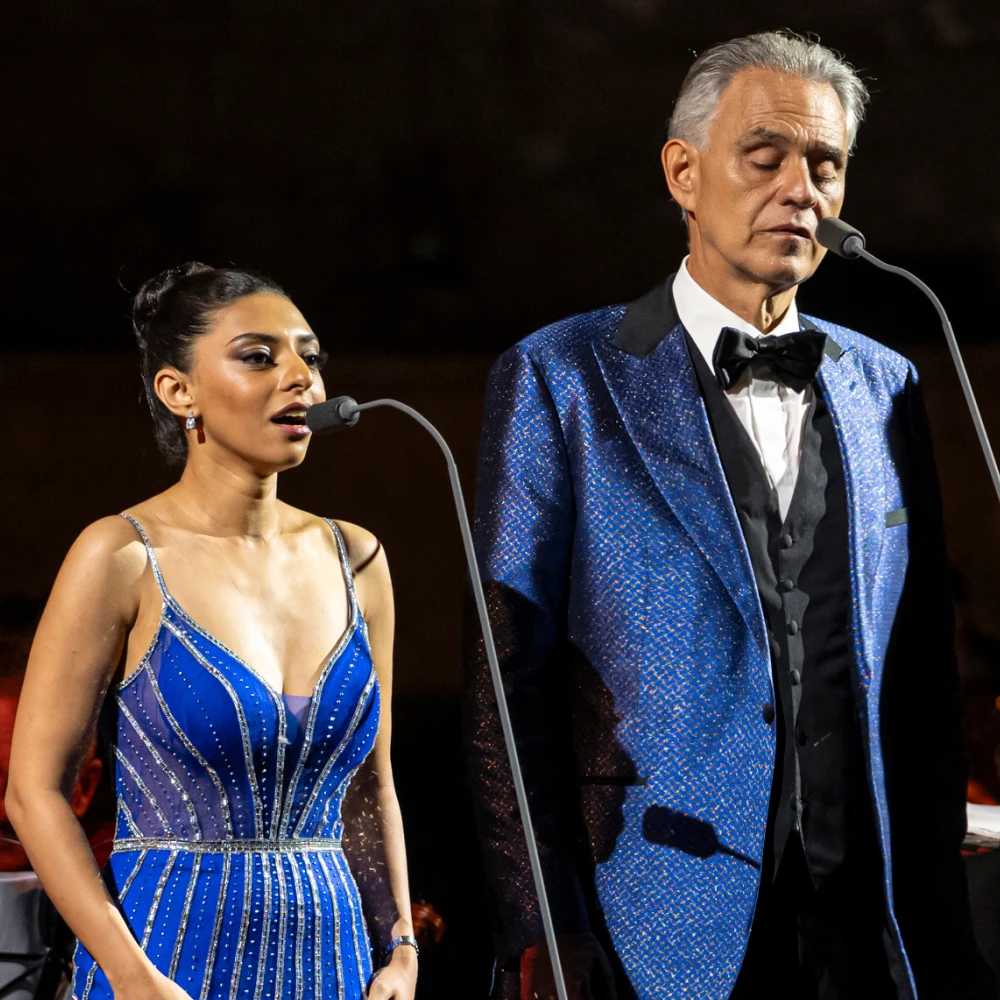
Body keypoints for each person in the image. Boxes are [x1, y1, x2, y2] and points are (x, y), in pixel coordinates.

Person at [464, 31, 994, 1000]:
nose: (800, 188)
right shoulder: (560, 378)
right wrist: (544, 925)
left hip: (861, 929)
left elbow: (915, 670)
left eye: (825, 166)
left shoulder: (887, 383)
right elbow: (507, 685)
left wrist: (940, 924)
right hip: (647, 920)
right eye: (766, 157)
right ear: (683, 171)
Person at [6, 264, 418, 1000]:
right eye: (259, 357)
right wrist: (129, 975)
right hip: (167, 965)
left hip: (336, 966)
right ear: (178, 390)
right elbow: (35, 794)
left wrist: (402, 947)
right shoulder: (121, 556)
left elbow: (371, 787)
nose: (302, 379)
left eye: (310, 357)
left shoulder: (358, 559)